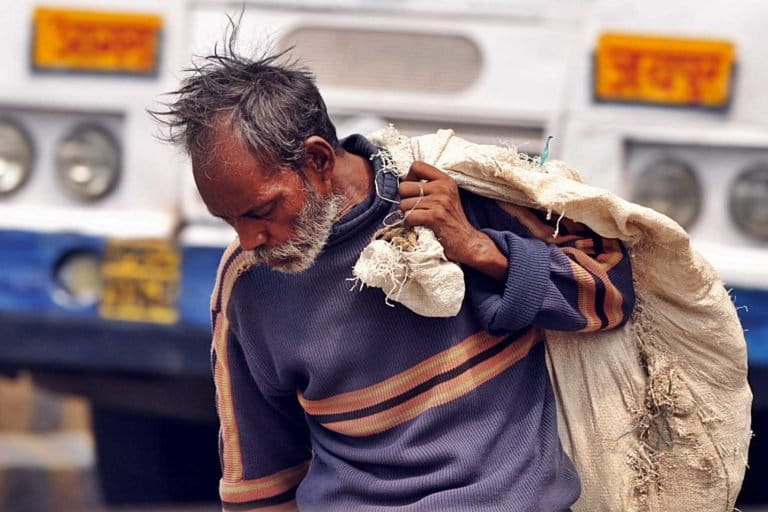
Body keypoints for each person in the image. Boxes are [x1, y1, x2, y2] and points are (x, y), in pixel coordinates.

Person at [155, 42, 635, 512]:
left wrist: (480, 250)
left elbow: (611, 297)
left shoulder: (459, 198)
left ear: (319, 161)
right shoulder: (248, 282)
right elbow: (259, 483)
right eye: (230, 221)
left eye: (261, 211)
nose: (250, 240)